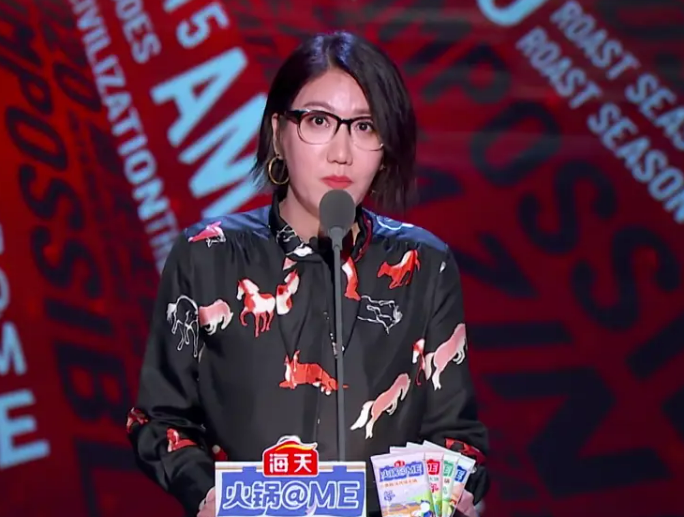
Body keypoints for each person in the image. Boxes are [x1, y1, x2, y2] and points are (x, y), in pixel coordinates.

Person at [126, 31, 489, 517]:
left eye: (365, 127)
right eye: (319, 121)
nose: (342, 151)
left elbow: (458, 438)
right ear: (279, 132)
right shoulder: (207, 255)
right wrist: (209, 495)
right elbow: (158, 419)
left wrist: (453, 490)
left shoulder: (425, 264)